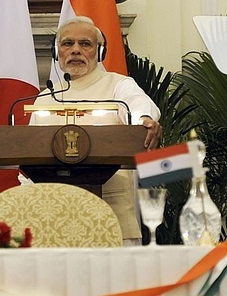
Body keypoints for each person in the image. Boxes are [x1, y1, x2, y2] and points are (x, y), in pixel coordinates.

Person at [30, 16, 162, 245]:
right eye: (67, 43)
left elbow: (137, 102)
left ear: (100, 52)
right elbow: (27, 157)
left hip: (113, 217)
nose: (76, 50)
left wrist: (144, 120)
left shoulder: (119, 85)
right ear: (56, 51)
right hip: (53, 223)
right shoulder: (45, 98)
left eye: (85, 44)